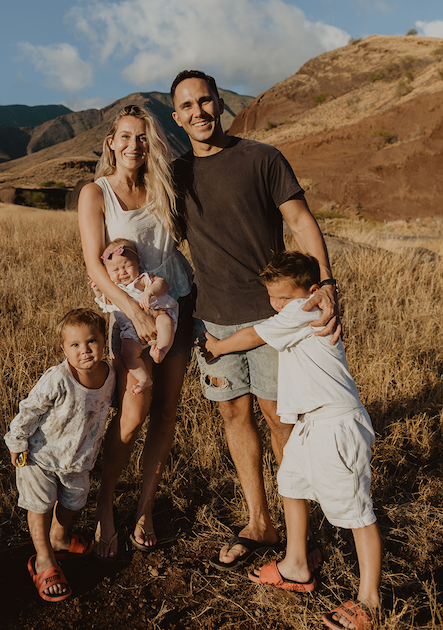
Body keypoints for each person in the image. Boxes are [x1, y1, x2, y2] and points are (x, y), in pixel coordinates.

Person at [171, 69, 340, 570]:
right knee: (233, 416)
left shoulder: (262, 158)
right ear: (176, 117)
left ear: (220, 104)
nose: (198, 112)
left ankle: (296, 535)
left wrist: (325, 283)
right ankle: (259, 521)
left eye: (205, 101)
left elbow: (301, 221)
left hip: (274, 320)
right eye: (187, 106)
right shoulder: (177, 175)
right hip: (213, 323)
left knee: (279, 420)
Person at [204, 251, 382, 630]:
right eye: (274, 298)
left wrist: (217, 347)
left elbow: (253, 334)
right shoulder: (297, 308)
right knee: (290, 484)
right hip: (308, 424)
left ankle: (370, 601)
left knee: (357, 513)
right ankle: (296, 565)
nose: (279, 306)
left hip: (336, 424)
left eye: (285, 297)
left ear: (312, 291)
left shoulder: (306, 308)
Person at [78, 105, 194, 559]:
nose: (133, 146)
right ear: (111, 141)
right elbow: (93, 263)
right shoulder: (96, 192)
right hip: (128, 313)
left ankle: (145, 509)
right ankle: (104, 505)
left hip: (174, 302)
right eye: (125, 137)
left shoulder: (163, 185)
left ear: (152, 145)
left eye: (142, 138)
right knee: (132, 414)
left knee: (166, 412)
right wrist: (134, 311)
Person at [4, 308, 115, 602]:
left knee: (74, 500)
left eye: (91, 341)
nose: (85, 350)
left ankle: (60, 538)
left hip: (78, 460)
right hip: (41, 456)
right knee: (40, 505)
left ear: (105, 340)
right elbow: (31, 408)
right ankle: (43, 558)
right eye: (75, 345)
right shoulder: (59, 378)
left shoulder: (110, 375)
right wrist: (16, 442)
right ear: (64, 349)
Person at [92, 237, 179, 395]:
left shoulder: (143, 279)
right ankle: (144, 378)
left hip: (156, 315)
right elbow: (103, 300)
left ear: (138, 262)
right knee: (127, 353)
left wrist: (149, 291)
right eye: (115, 270)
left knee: (165, 321)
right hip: (132, 330)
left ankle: (161, 350)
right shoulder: (114, 289)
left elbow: (162, 283)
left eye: (126, 266)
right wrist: (97, 289)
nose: (122, 272)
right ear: (107, 273)